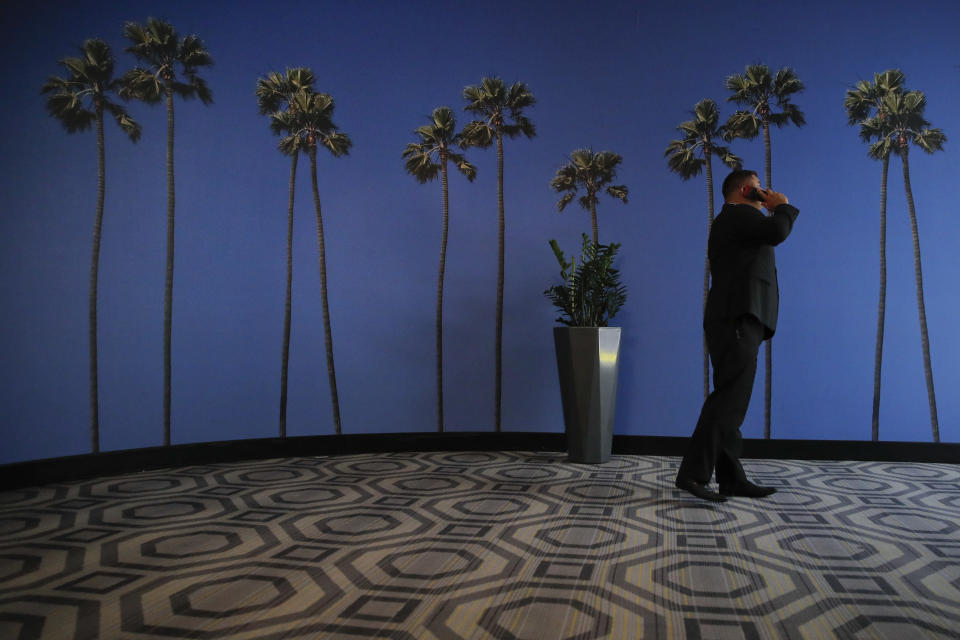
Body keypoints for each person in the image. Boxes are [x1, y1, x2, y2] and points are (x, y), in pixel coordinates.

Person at [675, 169, 799, 502]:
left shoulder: (737, 220)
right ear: (746, 191)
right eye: (760, 189)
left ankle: (731, 478)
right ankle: (692, 474)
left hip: (739, 319)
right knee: (730, 400)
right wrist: (782, 206)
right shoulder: (738, 215)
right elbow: (777, 231)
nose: (766, 193)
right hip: (736, 319)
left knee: (732, 399)